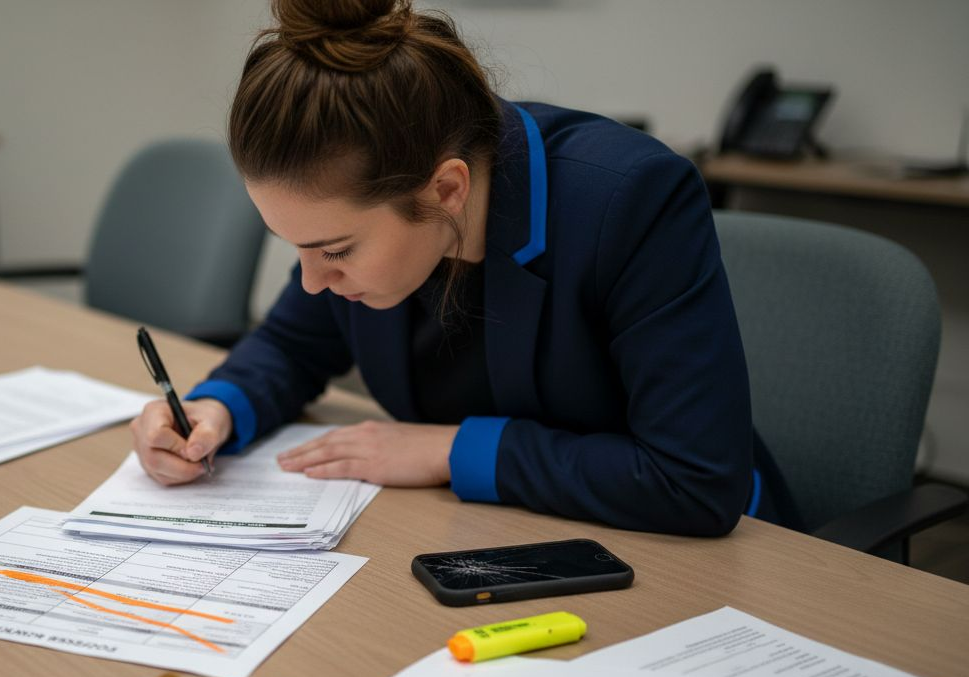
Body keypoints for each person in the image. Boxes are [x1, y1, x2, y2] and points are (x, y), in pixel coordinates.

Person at [130, 0, 797, 536]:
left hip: (705, 568)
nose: (312, 280)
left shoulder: (631, 201)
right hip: (492, 536)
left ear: (446, 190)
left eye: (333, 251)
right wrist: (214, 410)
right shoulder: (362, 205)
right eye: (293, 245)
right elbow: (292, 341)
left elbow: (693, 481)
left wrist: (447, 451)